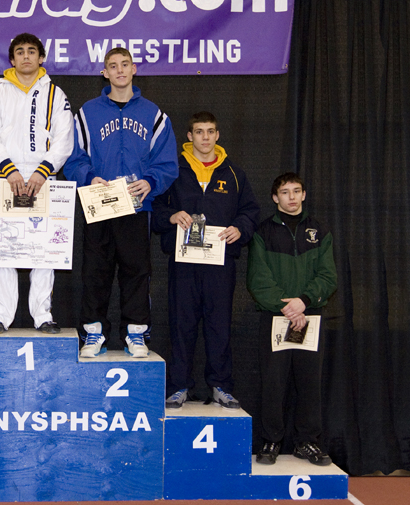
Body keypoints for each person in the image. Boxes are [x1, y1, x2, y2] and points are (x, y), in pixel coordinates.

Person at [64, 47, 178, 358]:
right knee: (95, 272)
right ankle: (94, 333)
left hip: (137, 205)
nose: (119, 70)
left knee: (137, 271)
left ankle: (135, 334)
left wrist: (151, 181)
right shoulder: (87, 113)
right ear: (104, 73)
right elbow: (72, 159)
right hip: (99, 204)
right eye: (113, 66)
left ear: (134, 68)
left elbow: (167, 162)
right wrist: (89, 177)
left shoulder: (154, 115)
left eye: (124, 64)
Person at [152, 112, 259, 408]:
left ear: (218, 135)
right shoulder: (173, 171)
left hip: (219, 264)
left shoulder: (234, 173)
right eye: (199, 132)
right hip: (183, 263)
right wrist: (171, 216)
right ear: (189, 136)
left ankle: (220, 385)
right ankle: (178, 387)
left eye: (210, 131)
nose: (205, 137)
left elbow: (250, 211)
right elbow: (154, 208)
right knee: (181, 325)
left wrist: (240, 228)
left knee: (219, 326)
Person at [0, 33, 74, 334]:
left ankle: (42, 315)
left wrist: (43, 170)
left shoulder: (55, 93)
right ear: (12, 59)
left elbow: (64, 137)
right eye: (20, 52)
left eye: (32, 51)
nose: (26, 56)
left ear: (41, 57)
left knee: (44, 251)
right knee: (3, 250)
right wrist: (8, 169)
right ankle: (1, 316)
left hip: (43, 179)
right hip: (6, 178)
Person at [247, 172, 337, 466]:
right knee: (274, 383)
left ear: (304, 194)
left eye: (296, 191)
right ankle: (271, 440)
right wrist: (287, 308)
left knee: (310, 383)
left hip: (310, 317)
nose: (292, 197)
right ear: (275, 198)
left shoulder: (320, 231)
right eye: (285, 192)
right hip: (276, 318)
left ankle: (307, 441)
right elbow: (258, 280)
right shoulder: (263, 232)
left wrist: (304, 302)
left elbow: (328, 276)